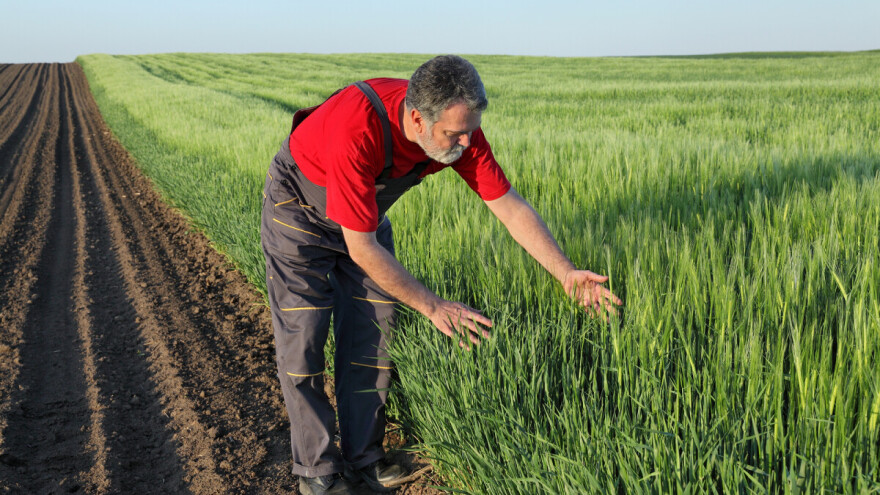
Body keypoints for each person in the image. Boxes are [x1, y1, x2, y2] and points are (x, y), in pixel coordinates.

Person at [260, 55, 622, 495]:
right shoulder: (358, 129)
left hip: (363, 218)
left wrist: (565, 272)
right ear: (417, 119)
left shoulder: (457, 130)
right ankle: (317, 470)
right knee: (304, 337)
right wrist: (432, 306)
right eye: (455, 134)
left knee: (374, 333)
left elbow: (508, 205)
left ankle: (365, 459)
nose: (468, 142)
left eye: (470, 129)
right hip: (298, 212)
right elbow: (361, 248)